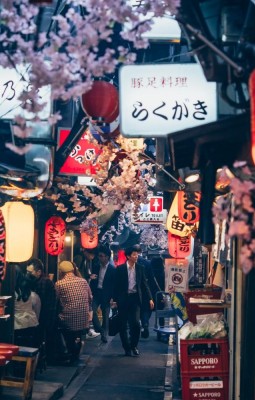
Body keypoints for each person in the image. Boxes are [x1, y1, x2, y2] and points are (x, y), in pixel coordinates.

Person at [112, 246, 154, 357]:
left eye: (137, 254)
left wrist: (150, 298)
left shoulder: (140, 268)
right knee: (122, 325)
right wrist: (114, 300)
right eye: (134, 255)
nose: (137, 256)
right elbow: (115, 286)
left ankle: (134, 345)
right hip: (123, 299)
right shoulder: (120, 269)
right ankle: (126, 348)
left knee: (135, 324)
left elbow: (144, 284)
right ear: (128, 256)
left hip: (135, 299)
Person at [55, 260, 92, 363]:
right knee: (78, 333)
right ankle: (77, 347)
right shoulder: (83, 281)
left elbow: (56, 300)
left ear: (61, 272)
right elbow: (90, 298)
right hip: (84, 318)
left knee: (59, 325)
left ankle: (68, 351)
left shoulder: (59, 284)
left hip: (68, 319)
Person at [26, 258, 57, 363]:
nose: (27, 275)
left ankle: (36, 363)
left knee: (38, 341)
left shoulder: (44, 282)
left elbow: (49, 304)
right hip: (37, 319)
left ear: (39, 272)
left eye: (30, 272)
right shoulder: (35, 282)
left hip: (42, 319)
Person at [89, 244, 116, 343]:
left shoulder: (112, 270)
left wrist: (113, 298)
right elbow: (93, 280)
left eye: (102, 256)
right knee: (92, 310)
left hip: (107, 294)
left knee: (105, 316)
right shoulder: (96, 267)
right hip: (96, 293)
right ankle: (99, 329)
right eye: (99, 256)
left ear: (107, 257)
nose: (100, 258)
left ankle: (104, 335)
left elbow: (114, 285)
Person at [73, 247, 100, 339]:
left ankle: (86, 330)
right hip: (79, 287)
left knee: (88, 309)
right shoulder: (79, 258)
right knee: (86, 309)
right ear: (87, 253)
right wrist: (88, 277)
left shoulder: (85, 260)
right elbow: (77, 272)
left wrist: (89, 276)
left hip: (83, 286)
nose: (92, 257)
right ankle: (85, 331)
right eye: (92, 255)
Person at [14, 267, 39, 348]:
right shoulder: (29, 291)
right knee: (28, 346)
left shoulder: (12, 292)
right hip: (31, 322)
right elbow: (36, 308)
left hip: (18, 324)